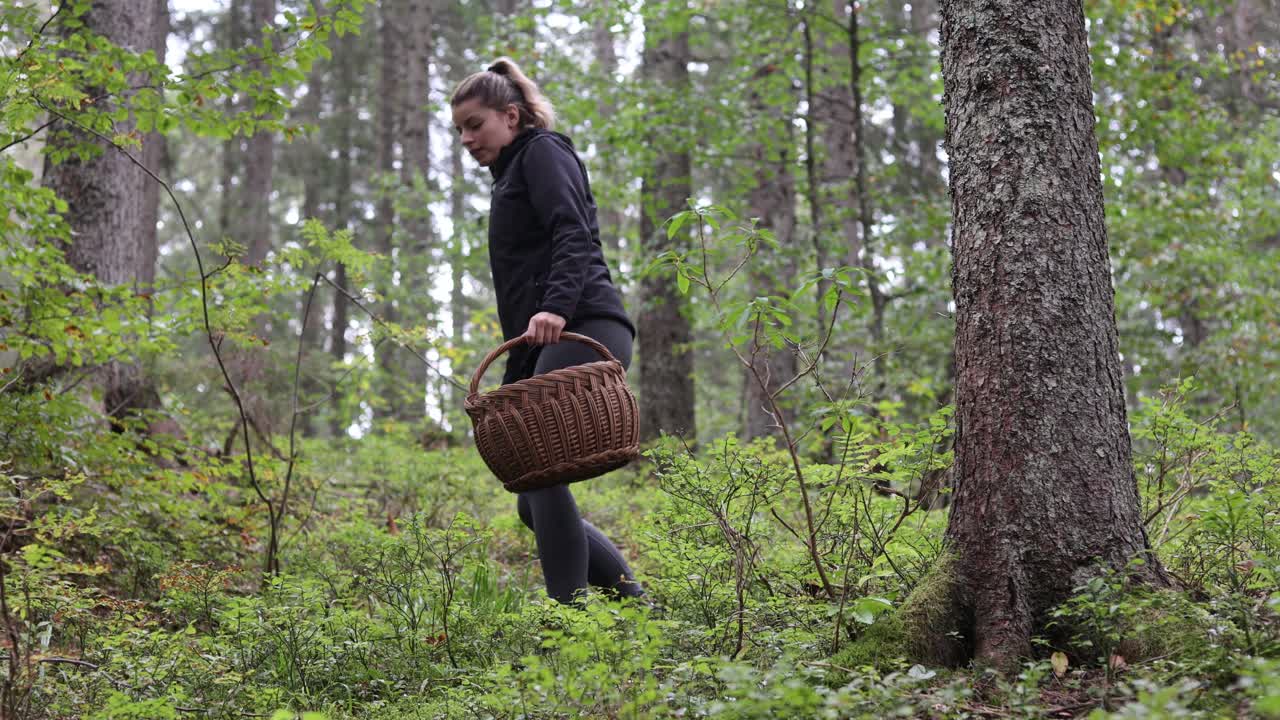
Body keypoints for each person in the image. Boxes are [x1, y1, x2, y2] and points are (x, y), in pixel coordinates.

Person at [450, 58, 644, 604]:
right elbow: (521, 292)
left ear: (510, 115)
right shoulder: (508, 176)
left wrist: (558, 306)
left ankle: (571, 619)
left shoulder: (542, 152)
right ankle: (635, 603)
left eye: (475, 123)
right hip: (546, 337)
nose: (466, 138)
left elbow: (572, 231)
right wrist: (517, 372)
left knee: (539, 470)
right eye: (459, 129)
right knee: (528, 498)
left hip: (585, 325)